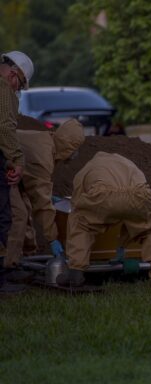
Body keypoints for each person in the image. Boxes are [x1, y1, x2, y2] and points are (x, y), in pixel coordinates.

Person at [57, 152, 151, 287]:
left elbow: (77, 203)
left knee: (79, 222)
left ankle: (75, 273)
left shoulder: (88, 168)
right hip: (137, 196)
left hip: (103, 195)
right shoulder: (129, 164)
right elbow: (141, 187)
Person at [3, 119, 85, 278]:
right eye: (75, 149)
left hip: (8, 169)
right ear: (69, 147)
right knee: (18, 215)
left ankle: (23, 255)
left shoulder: (46, 140)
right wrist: (52, 239)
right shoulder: (43, 158)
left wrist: (49, 196)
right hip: (3, 169)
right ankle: (7, 268)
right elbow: (42, 205)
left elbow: (30, 189)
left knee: (23, 206)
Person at [0, 51, 34, 292]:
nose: (17, 90)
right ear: (14, 74)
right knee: (3, 217)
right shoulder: (4, 89)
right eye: (19, 85)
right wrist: (17, 161)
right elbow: (5, 126)